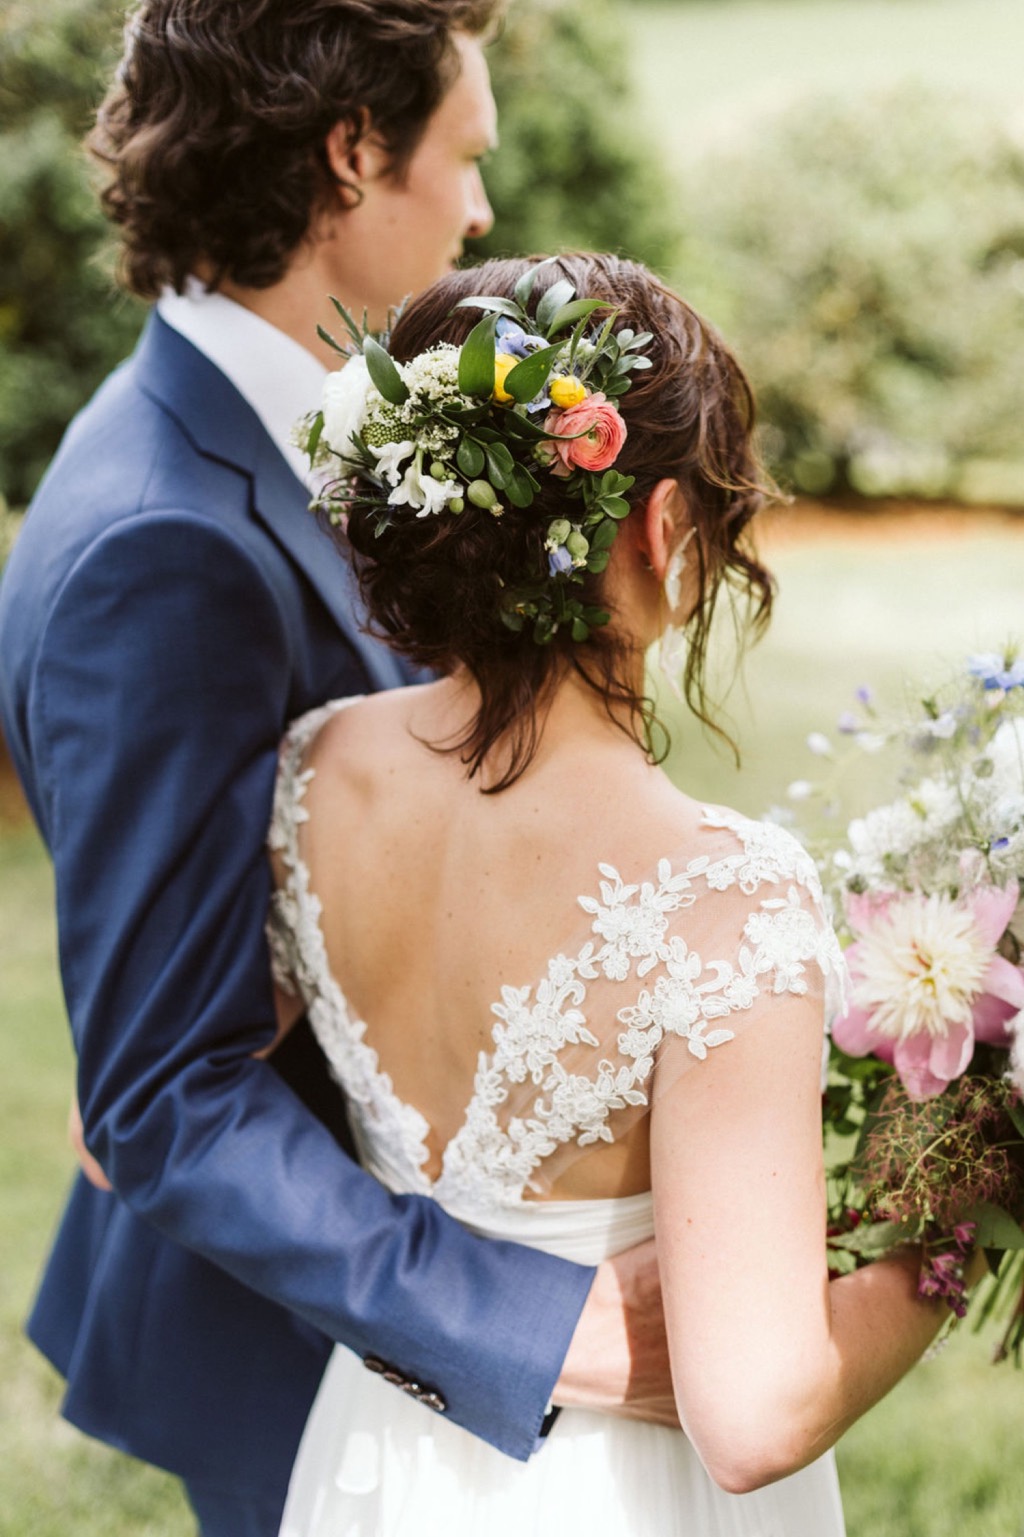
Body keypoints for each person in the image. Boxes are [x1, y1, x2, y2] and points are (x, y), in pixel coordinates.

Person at [0, 8, 675, 1536]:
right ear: (352, 155)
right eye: (466, 157)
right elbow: (164, 1095)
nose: (483, 210)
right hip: (314, 1349)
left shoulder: (259, 430)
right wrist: (544, 1324)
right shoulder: (161, 539)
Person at [265, 251, 979, 1536]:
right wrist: (962, 1222)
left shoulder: (313, 770)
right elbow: (755, 1415)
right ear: (662, 530)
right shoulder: (724, 894)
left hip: (381, 1441)